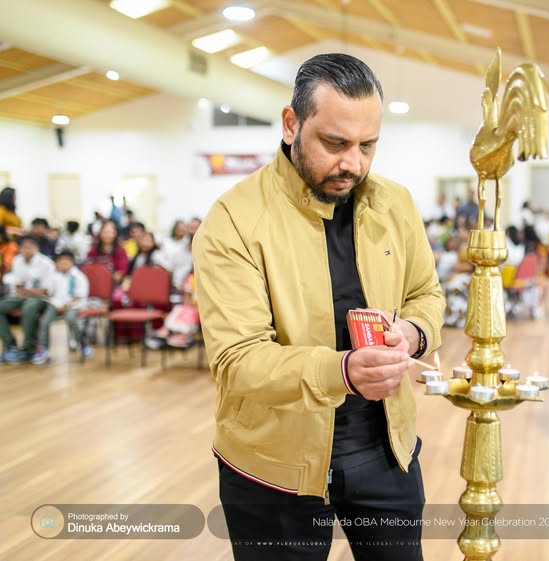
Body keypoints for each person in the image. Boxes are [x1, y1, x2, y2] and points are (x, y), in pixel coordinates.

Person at [192, 53, 444, 561]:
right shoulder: (234, 222)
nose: (352, 163)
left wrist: (414, 333)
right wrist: (345, 371)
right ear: (291, 123)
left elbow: (427, 295)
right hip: (272, 466)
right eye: (334, 143)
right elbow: (238, 360)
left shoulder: (395, 205)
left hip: (386, 452)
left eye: (367, 146)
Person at [0, 235, 55, 364]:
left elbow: (45, 290)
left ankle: (28, 348)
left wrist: (27, 291)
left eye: (30, 247)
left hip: (43, 299)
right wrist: (27, 291)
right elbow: (18, 286)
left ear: (37, 248)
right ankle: (10, 346)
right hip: (22, 296)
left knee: (29, 307)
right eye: (24, 247)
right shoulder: (17, 260)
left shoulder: (46, 263)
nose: (27, 250)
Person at [35, 250, 90, 363]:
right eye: (60, 262)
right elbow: (50, 293)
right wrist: (48, 294)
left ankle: (82, 343)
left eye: (66, 262)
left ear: (73, 263)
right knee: (45, 321)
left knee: (70, 318)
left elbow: (79, 296)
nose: (63, 264)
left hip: (73, 305)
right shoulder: (54, 276)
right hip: (55, 304)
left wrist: (66, 306)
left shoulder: (79, 277)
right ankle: (43, 349)